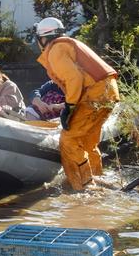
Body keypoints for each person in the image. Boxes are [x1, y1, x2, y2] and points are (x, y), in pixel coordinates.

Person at [34, 17, 120, 191]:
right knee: (88, 142)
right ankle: (97, 178)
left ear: (43, 38)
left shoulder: (55, 50)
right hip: (108, 92)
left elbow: (74, 78)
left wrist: (70, 106)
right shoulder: (69, 43)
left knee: (69, 140)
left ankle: (85, 186)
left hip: (93, 95)